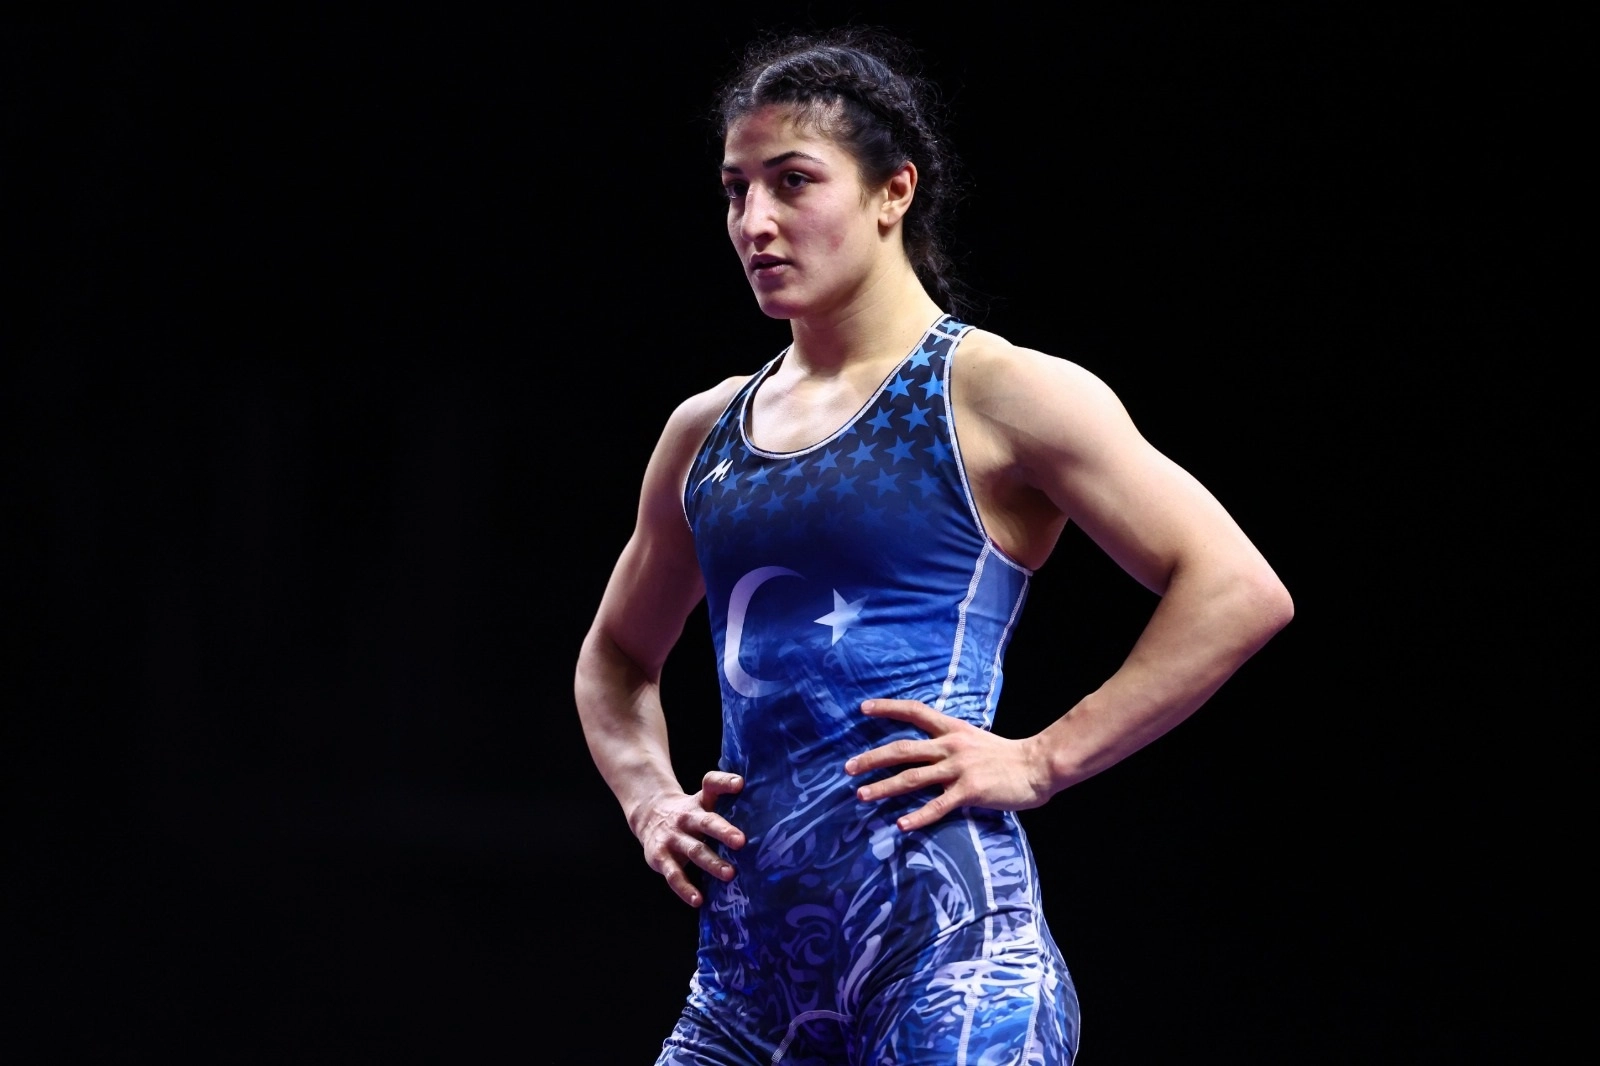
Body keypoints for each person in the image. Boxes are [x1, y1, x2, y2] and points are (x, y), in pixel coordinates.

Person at [574, 26, 1293, 1065]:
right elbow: (614, 657)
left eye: (792, 182)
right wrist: (649, 800)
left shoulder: (994, 393)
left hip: (953, 962)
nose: (755, 222)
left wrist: (1043, 759)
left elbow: (1235, 587)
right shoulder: (705, 432)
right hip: (747, 989)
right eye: (736, 190)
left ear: (893, 191)